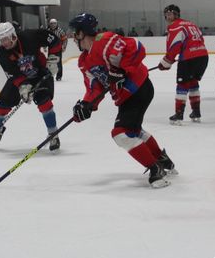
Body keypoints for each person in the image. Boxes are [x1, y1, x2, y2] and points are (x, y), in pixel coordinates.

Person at [69, 13, 175, 188]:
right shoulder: (84, 61)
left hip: (139, 89)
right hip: (126, 97)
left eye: (75, 33)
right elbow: (93, 88)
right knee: (133, 130)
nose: (73, 37)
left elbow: (137, 48)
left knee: (120, 133)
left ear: (81, 33)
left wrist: (121, 69)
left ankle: (156, 169)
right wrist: (87, 106)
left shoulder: (104, 40)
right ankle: (162, 160)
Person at [0, 22, 63, 151]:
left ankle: (53, 133)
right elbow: (13, 75)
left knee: (45, 103)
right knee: (1, 106)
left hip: (40, 73)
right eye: (1, 40)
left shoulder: (30, 36)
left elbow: (54, 40)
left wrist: (53, 58)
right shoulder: (2, 54)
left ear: (13, 36)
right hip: (21, 78)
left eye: (5, 39)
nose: (3, 43)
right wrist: (23, 88)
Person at [157, 4, 209, 124]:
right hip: (203, 56)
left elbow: (174, 46)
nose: (168, 16)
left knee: (182, 84)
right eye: (166, 14)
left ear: (176, 15)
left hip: (189, 58)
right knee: (193, 83)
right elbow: (200, 38)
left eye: (170, 14)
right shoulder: (190, 24)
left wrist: (166, 62)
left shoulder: (174, 26)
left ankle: (179, 115)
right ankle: (196, 112)